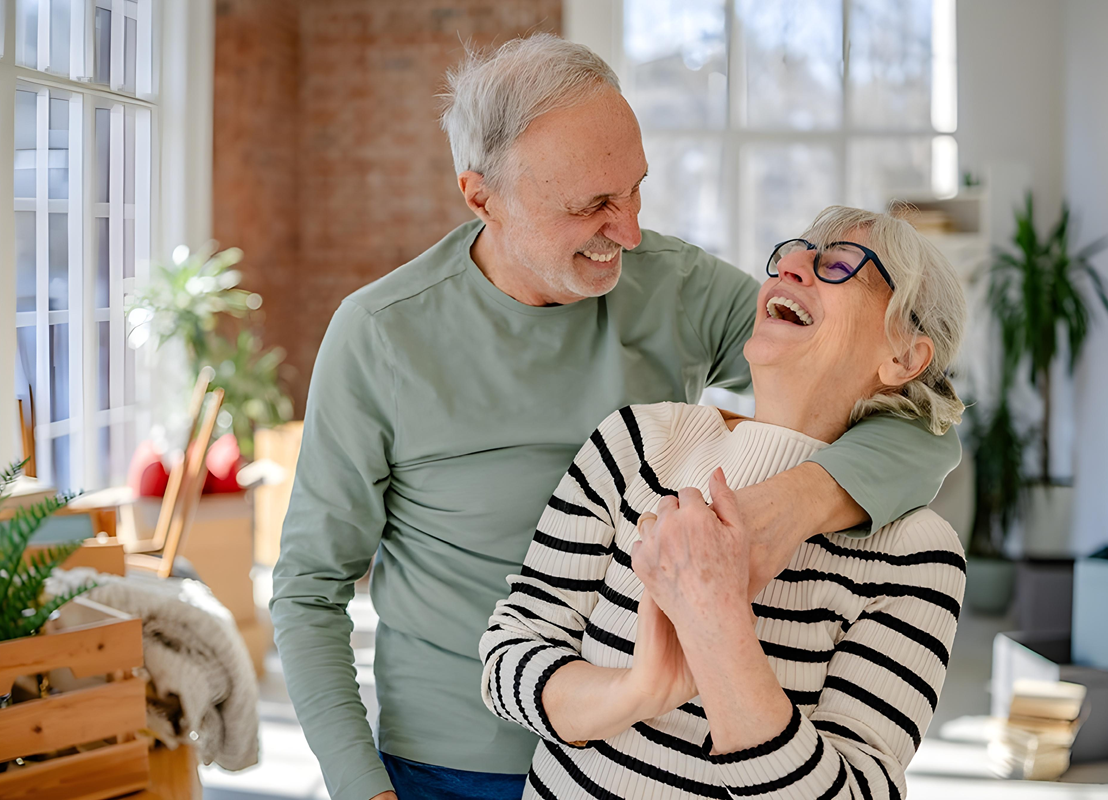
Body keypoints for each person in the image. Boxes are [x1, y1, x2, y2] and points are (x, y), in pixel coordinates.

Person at [271, 35, 960, 800]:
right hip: (448, 759)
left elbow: (911, 413)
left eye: (634, 189)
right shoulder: (381, 334)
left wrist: (790, 505)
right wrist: (360, 785)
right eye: (591, 206)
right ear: (480, 198)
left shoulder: (674, 287)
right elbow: (309, 587)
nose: (629, 231)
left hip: (646, 756)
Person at [480, 205, 968, 799]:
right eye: (790, 252)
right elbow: (510, 655)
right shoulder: (641, 443)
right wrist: (638, 692)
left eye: (840, 263)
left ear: (905, 357)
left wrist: (718, 630)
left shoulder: (916, 554)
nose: (790, 265)